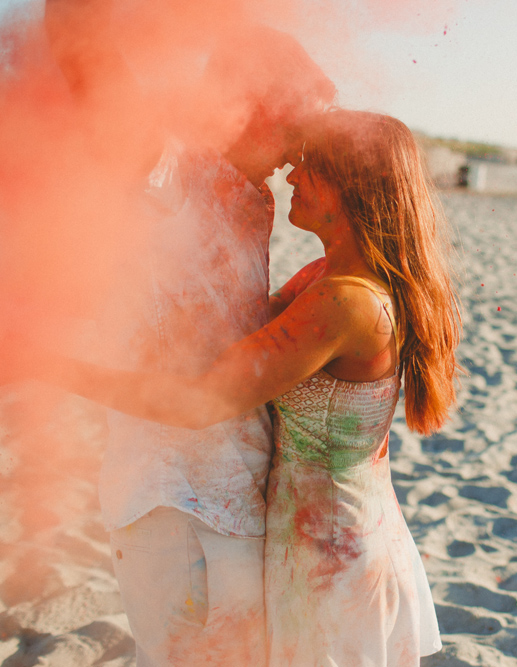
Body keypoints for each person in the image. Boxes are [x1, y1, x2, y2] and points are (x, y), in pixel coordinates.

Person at [2, 110, 457, 666]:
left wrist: (48, 365)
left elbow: (201, 401)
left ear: (349, 185)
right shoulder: (327, 280)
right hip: (331, 537)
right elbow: (228, 332)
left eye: (310, 165)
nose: (291, 174)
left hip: (331, 558)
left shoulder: (344, 302)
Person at [40, 1, 337, 663]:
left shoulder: (256, 198)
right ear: (244, 105)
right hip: (171, 498)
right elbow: (86, 62)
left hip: (241, 486)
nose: (297, 153)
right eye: (292, 123)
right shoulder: (164, 172)